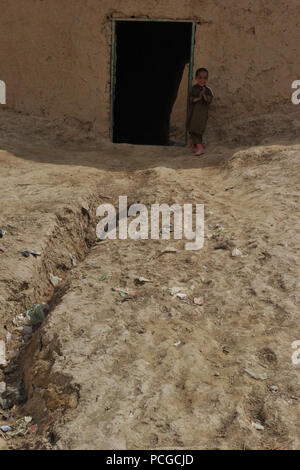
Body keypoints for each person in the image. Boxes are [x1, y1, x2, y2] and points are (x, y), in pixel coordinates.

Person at [187, 68, 213, 156]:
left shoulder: (208, 90)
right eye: (200, 78)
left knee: (197, 131)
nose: (202, 80)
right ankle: (195, 147)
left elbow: (209, 100)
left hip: (201, 115)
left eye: (205, 78)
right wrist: (198, 97)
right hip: (193, 114)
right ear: (196, 78)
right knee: (192, 130)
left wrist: (204, 95)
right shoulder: (193, 89)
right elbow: (190, 99)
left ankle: (200, 148)